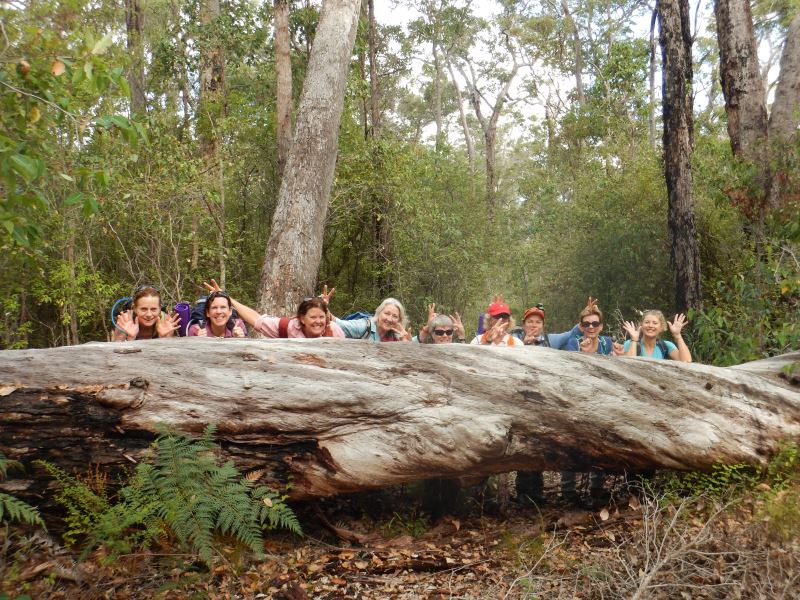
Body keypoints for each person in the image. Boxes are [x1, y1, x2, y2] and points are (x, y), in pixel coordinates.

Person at [202, 279, 344, 338]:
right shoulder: (289, 328)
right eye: (313, 317)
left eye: (321, 317)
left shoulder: (334, 330)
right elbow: (256, 319)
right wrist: (225, 297)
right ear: (301, 318)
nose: (318, 321)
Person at [113, 285, 180, 342]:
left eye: (153, 309)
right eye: (143, 309)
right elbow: (115, 352)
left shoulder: (165, 321)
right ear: (135, 308)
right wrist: (130, 338)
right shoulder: (125, 320)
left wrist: (163, 338)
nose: (149, 315)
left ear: (160, 309)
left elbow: (168, 354)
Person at [622, 311, 692, 362]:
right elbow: (628, 363)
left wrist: (677, 336)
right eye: (647, 322)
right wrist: (634, 339)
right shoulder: (631, 343)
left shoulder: (666, 346)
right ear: (641, 325)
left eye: (655, 323)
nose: (650, 326)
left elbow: (686, 361)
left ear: (661, 327)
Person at [334, 297, 412, 341]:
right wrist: (323, 307)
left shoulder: (397, 337)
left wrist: (405, 342)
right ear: (379, 313)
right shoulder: (364, 327)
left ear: (399, 320)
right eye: (387, 313)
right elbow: (338, 323)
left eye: (395, 316)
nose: (390, 319)